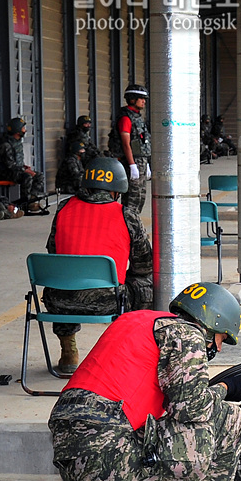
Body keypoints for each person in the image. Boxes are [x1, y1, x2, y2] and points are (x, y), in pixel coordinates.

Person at [47, 281, 241, 481]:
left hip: (76, 456)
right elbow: (191, 408)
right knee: (229, 417)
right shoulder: (187, 334)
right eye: (221, 339)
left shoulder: (134, 321)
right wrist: (222, 389)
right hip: (108, 451)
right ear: (212, 325)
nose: (218, 346)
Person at [44, 157, 154, 373]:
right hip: (109, 301)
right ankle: (126, 352)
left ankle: (68, 352)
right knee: (145, 284)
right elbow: (144, 265)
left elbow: (53, 250)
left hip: (59, 301)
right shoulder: (126, 215)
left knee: (64, 280)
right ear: (117, 190)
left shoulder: (64, 208)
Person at [110, 83, 151, 215]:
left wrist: (146, 163)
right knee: (131, 199)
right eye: (141, 98)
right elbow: (126, 144)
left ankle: (134, 224)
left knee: (140, 196)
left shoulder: (137, 117)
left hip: (141, 161)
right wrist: (132, 165)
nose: (144, 101)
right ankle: (128, 225)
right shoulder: (126, 118)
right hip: (131, 163)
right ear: (133, 99)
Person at [0, 116, 47, 213]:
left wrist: (24, 167)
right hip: (4, 172)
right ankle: (24, 204)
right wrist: (24, 170)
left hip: (16, 170)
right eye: (23, 128)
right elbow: (9, 165)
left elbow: (17, 162)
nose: (25, 130)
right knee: (27, 177)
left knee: (39, 176)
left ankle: (32, 200)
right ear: (17, 131)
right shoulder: (5, 145)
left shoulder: (16, 142)